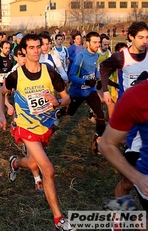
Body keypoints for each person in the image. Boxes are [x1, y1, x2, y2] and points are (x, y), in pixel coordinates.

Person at [0, 33, 74, 231]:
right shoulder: (17, 75)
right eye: (31, 47)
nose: (36, 50)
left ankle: (15, 163)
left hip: (45, 127)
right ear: (24, 50)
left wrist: (57, 102)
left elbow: (66, 98)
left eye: (38, 46)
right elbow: (0, 92)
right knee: (47, 169)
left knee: (32, 162)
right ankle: (59, 219)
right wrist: (3, 116)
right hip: (25, 127)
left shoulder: (50, 72)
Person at [99, 79, 148, 214]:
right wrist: (137, 178)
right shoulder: (138, 94)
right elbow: (106, 144)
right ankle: (119, 214)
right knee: (126, 184)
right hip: (137, 150)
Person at [60, 31, 105, 155]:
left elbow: (95, 70)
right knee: (70, 112)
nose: (98, 45)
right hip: (78, 91)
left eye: (99, 42)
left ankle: (98, 141)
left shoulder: (96, 55)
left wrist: (98, 79)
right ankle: (59, 113)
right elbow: (71, 76)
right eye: (95, 42)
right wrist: (85, 81)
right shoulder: (81, 56)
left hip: (90, 91)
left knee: (100, 114)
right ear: (88, 42)